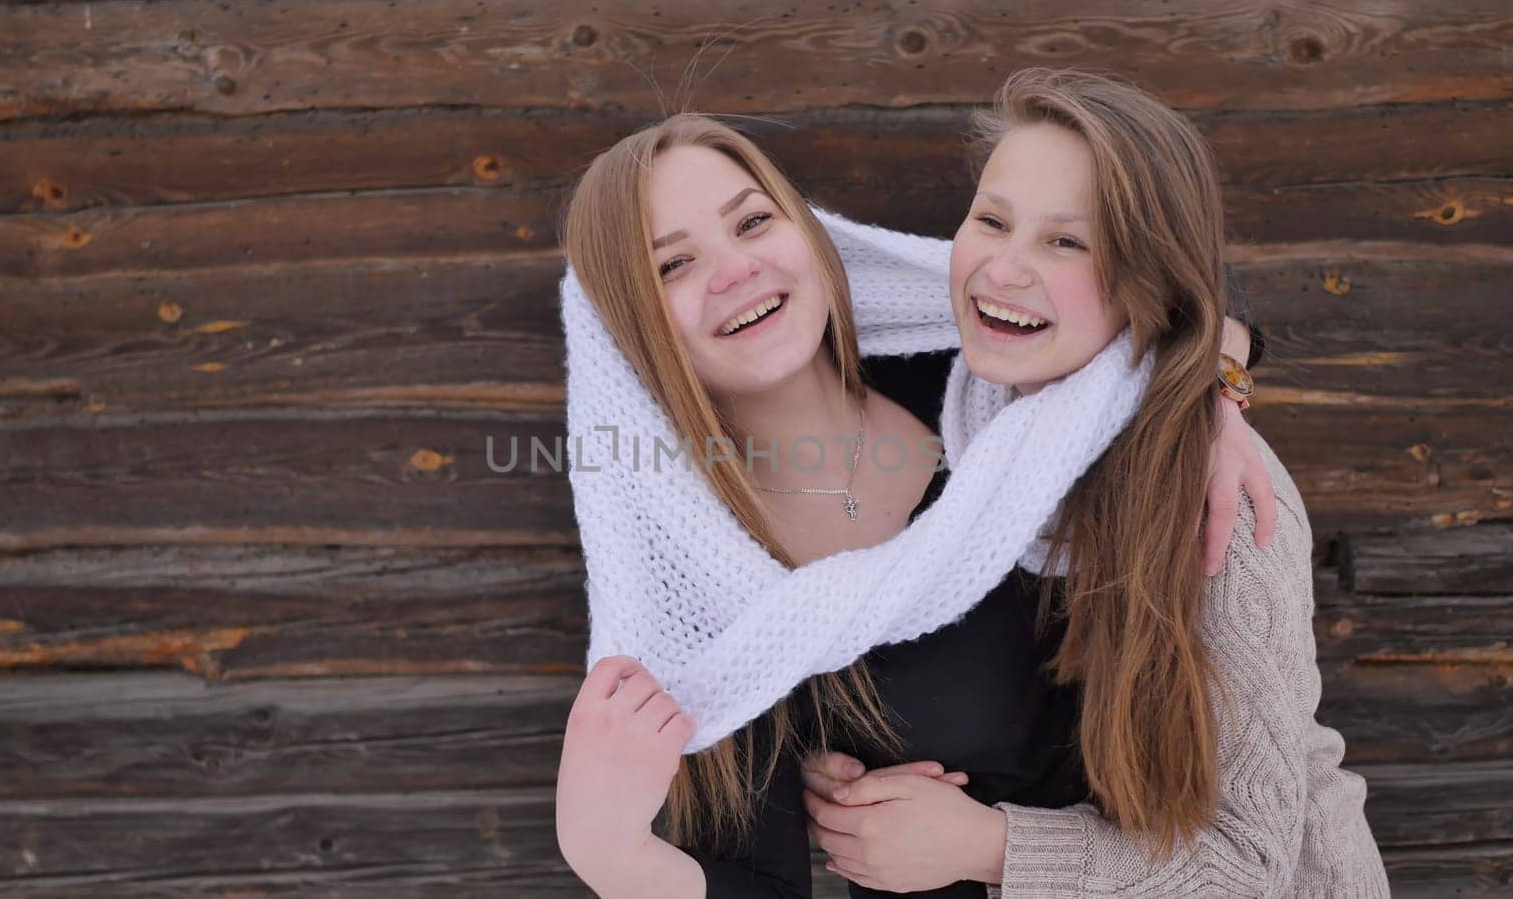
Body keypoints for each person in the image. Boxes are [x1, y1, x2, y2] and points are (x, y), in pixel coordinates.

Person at [550, 91, 1296, 898]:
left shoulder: (1003, 375)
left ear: (815, 233)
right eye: (673, 263)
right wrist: (611, 854)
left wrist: (1211, 374)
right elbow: (747, 876)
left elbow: (1151, 262)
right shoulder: (692, 577)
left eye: (754, 222)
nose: (736, 271)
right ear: (625, 322)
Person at [791, 69, 1389, 896]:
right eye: (991, 220)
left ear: (1150, 277)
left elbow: (1251, 863)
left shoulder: (1217, 496)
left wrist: (991, 848)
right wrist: (842, 775)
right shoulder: (943, 400)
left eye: (1066, 242)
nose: (1004, 268)